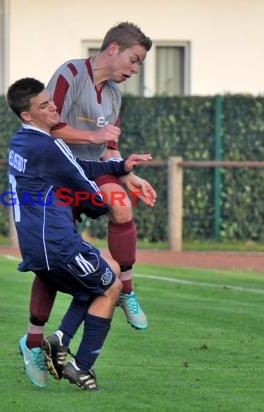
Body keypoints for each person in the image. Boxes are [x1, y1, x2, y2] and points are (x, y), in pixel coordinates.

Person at [22, 22, 157, 382]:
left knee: (123, 204)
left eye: (140, 63)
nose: (135, 68)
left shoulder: (114, 95)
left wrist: (128, 174)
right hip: (61, 173)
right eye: (134, 59)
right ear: (113, 48)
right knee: (49, 267)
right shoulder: (69, 74)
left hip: (94, 169)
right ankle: (34, 344)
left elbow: (110, 146)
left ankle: (126, 289)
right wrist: (92, 135)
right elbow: (47, 125)